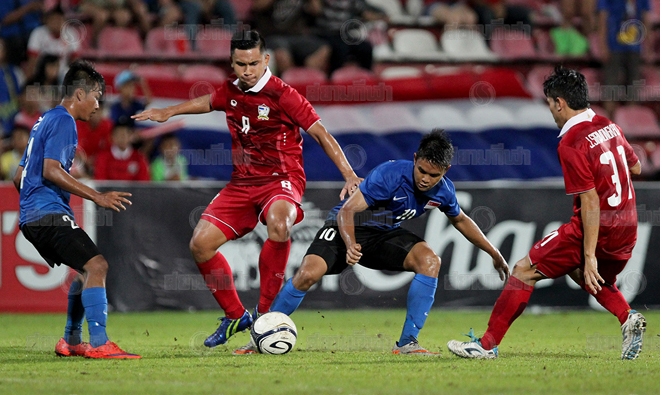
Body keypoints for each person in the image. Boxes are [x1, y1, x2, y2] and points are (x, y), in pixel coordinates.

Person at [132, 30, 361, 348]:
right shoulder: (231, 90)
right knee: (200, 244)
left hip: (282, 179)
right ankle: (236, 316)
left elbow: (320, 133)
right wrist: (168, 111)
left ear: (265, 60)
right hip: (242, 184)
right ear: (232, 63)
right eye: (240, 64)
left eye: (253, 63)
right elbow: (209, 101)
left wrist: (349, 173)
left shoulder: (283, 94)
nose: (247, 70)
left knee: (279, 223)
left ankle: (265, 315)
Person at [447, 66, 646, 360]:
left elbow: (589, 200)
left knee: (524, 271)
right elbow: (636, 167)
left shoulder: (571, 142)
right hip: (628, 225)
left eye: (550, 103)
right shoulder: (609, 125)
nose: (550, 111)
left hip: (595, 227)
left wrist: (589, 253)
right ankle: (627, 317)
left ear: (559, 103)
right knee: (584, 274)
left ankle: (486, 346)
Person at [258, 130, 510, 356]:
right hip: (345, 227)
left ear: (446, 171)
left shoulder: (443, 190)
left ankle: (407, 344)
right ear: (414, 158)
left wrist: (494, 252)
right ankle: (260, 333)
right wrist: (351, 243)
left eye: (434, 175)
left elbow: (462, 221)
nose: (425, 179)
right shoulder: (389, 175)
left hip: (382, 235)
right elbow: (347, 212)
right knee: (307, 274)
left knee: (429, 260)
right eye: (421, 170)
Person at [12, 60, 139, 359]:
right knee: (97, 266)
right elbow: (52, 170)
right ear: (80, 94)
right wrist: (97, 196)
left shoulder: (44, 120)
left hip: (33, 216)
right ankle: (99, 342)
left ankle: (70, 340)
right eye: (96, 97)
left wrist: (32, 203)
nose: (98, 105)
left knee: (86, 273)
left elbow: (19, 177)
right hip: (47, 213)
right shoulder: (64, 121)